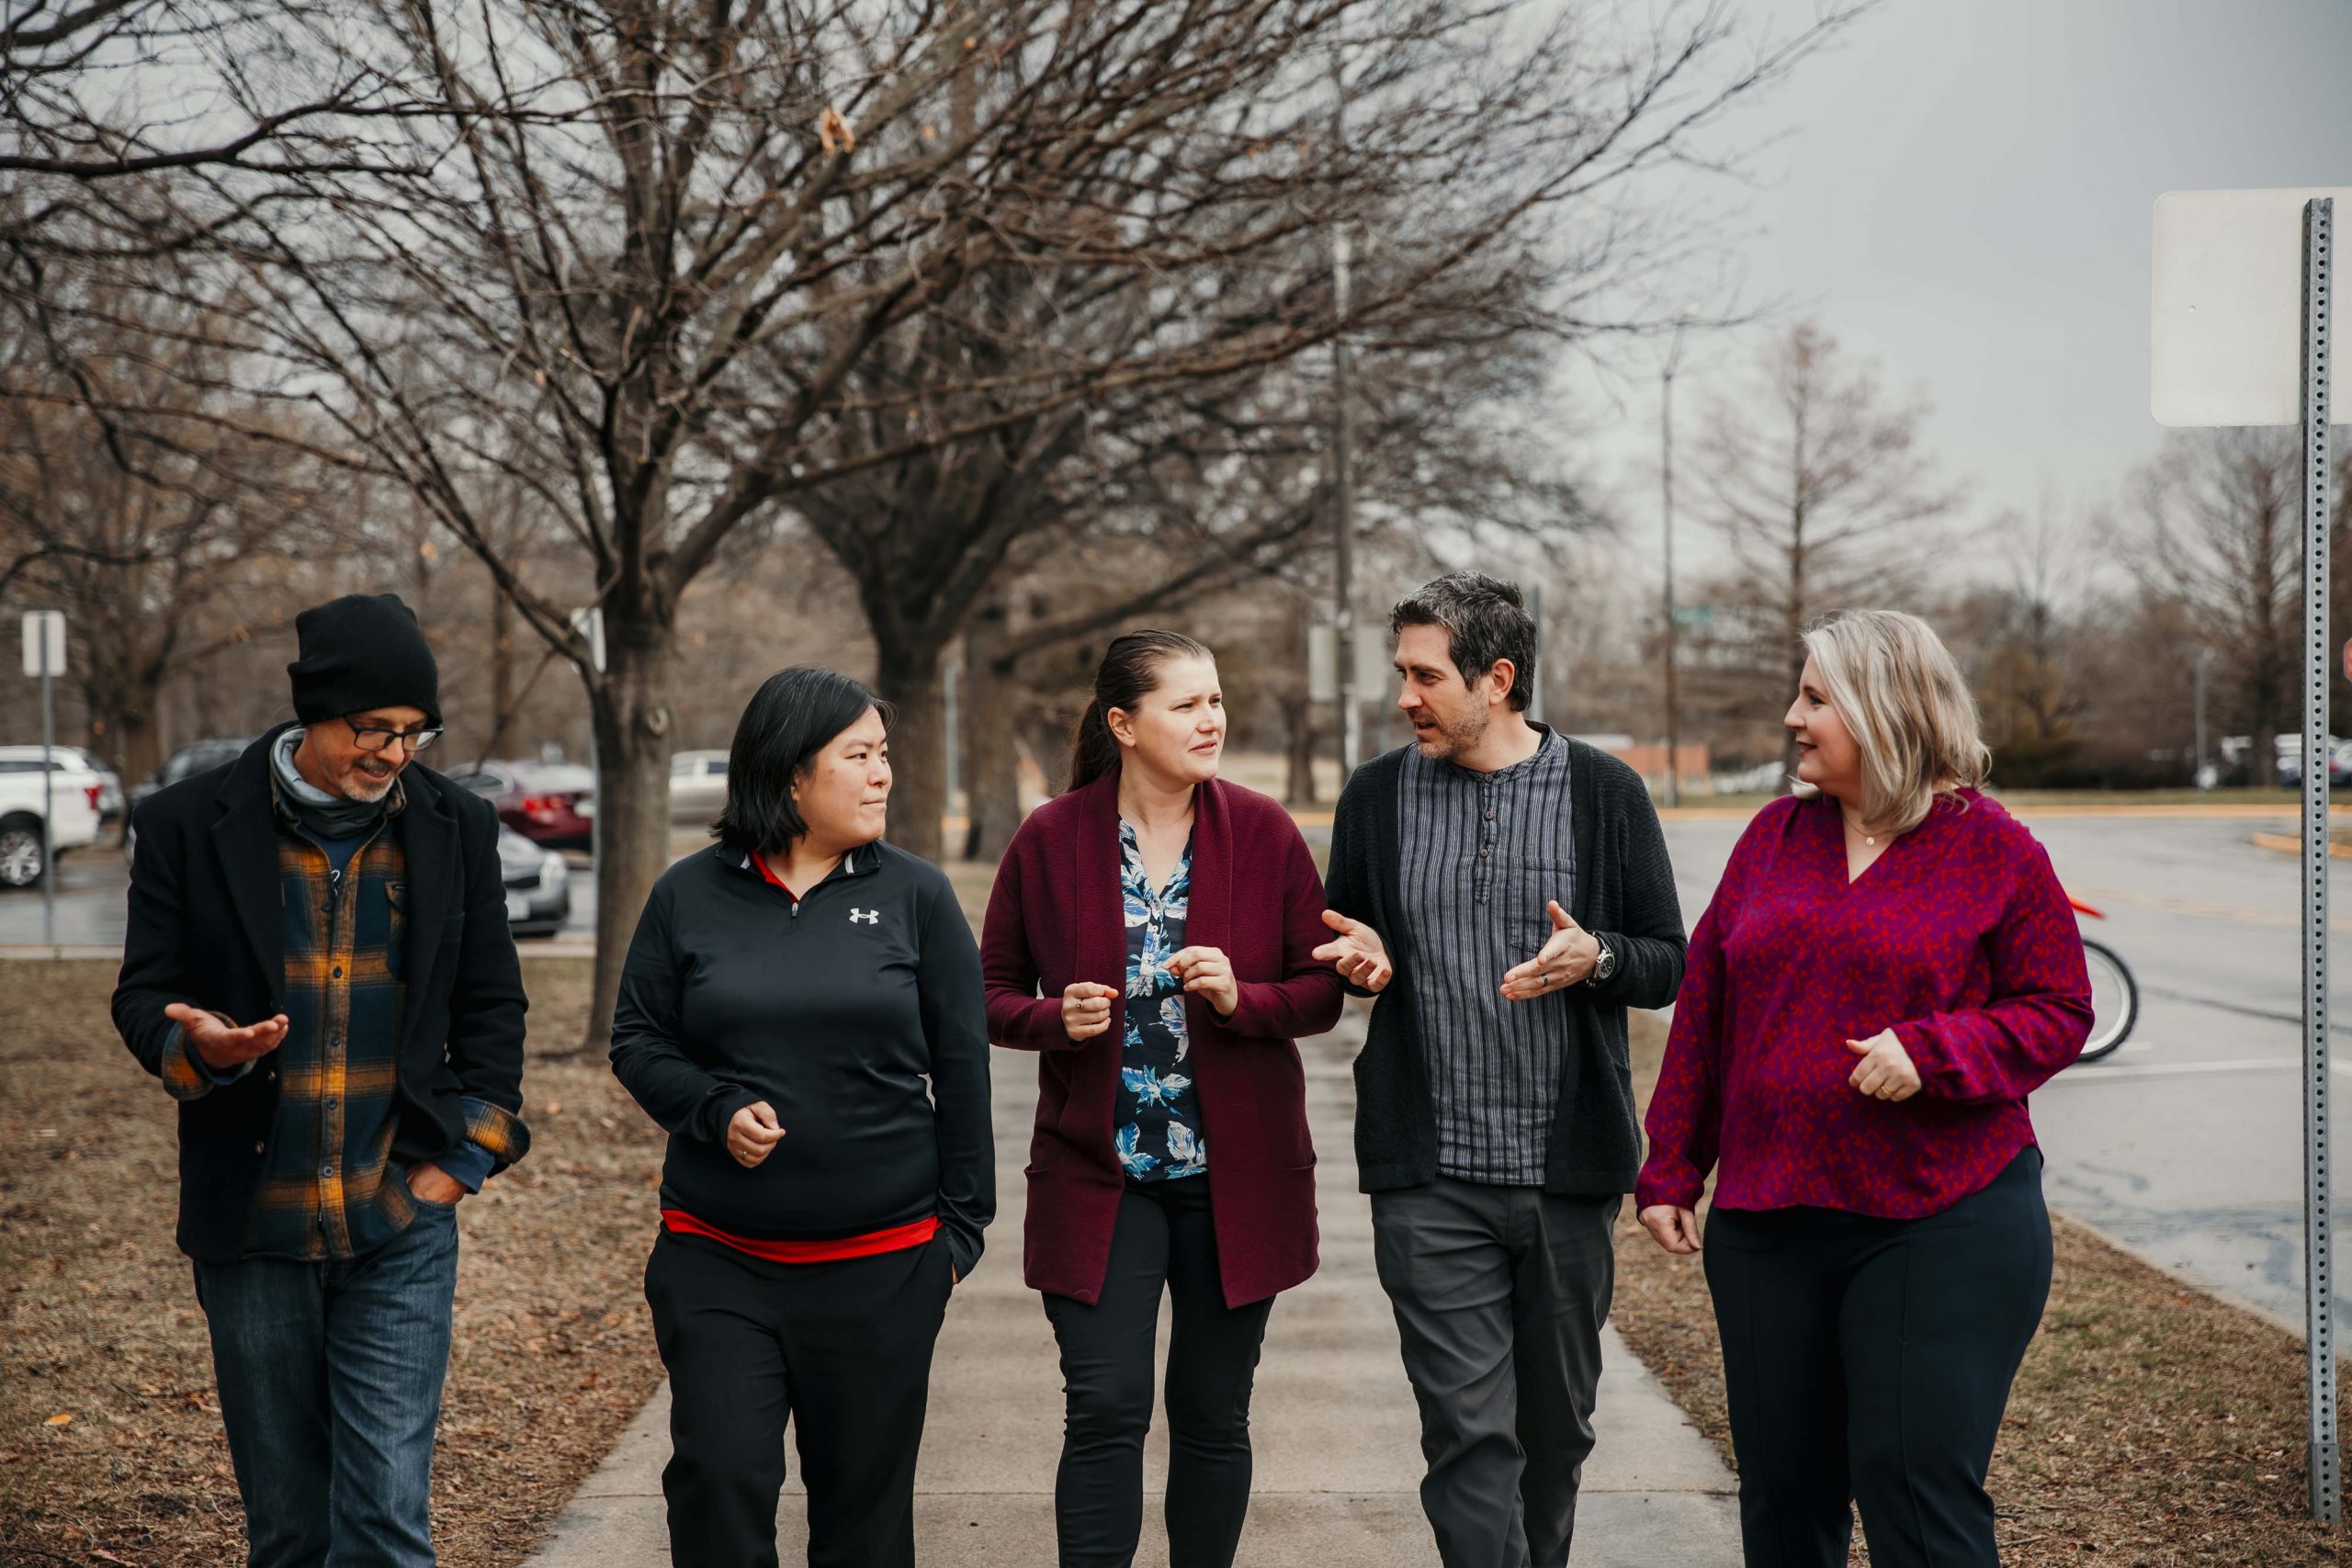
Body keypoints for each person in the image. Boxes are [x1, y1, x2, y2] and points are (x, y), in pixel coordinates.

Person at [1635, 608, 2092, 1568]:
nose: (1792, 718)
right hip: (1768, 1222)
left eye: (1814, 698)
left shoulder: (1994, 850)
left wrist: (1935, 1050)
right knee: (1785, 1498)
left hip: (1940, 1214)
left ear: (1885, 710)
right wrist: (1671, 1168)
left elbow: (2058, 1008)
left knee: (1913, 1486)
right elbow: (1708, 1011)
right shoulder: (1772, 838)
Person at [111, 592, 530, 1568]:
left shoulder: (454, 826)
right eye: (370, 729)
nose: (392, 754)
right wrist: (199, 1051)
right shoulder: (186, 823)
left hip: (399, 1219)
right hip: (253, 1224)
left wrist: (464, 1160)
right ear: (312, 713)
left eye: (414, 734)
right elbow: (144, 996)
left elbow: (492, 1007)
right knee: (291, 1530)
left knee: (388, 1522)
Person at [1312, 571, 1688, 1568]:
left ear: (1498, 678)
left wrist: (1597, 955)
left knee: (1554, 1436)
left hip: (1567, 1179)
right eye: (1402, 673)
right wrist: (1366, 963)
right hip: (1428, 1179)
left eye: (1426, 676)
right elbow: (1346, 939)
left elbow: (1666, 960)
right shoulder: (1376, 796)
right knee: (1467, 1440)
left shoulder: (1605, 793)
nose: (1405, 697)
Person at [609, 666, 992, 1568]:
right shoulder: (687, 894)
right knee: (720, 1479)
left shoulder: (917, 896)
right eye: (858, 755)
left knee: (863, 1521)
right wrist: (715, 1108)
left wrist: (959, 1234)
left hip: (883, 1268)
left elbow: (963, 1066)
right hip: (719, 1260)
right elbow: (637, 1040)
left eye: (884, 754)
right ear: (788, 773)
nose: (882, 775)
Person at [980, 629, 1345, 1568]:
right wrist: (1053, 1018)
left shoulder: (1262, 832)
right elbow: (989, 993)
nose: (1210, 718)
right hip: (1100, 1174)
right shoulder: (1050, 838)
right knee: (1104, 1407)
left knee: (1212, 1413)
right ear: (1123, 724)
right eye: (1185, 704)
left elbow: (1319, 989)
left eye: (1214, 700)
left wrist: (1241, 997)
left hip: (1238, 1179)